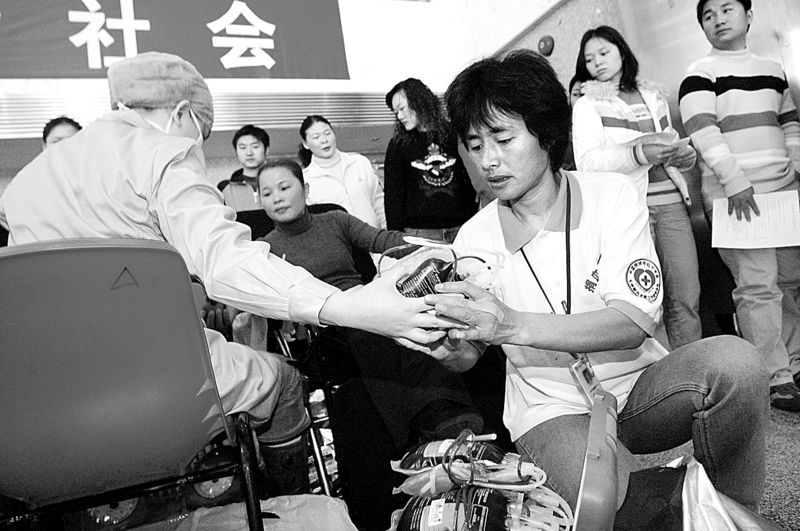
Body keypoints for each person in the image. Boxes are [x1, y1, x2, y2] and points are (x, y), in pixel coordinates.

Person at [0, 52, 452, 493]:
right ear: (181, 113)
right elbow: (224, 260)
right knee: (282, 380)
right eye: (200, 135)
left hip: (42, 400)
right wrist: (346, 304)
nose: (195, 149)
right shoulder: (161, 152)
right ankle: (289, 504)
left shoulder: (26, 183)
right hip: (153, 381)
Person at [421, 49, 768, 513]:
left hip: (638, 388)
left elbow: (631, 322)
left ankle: (734, 513)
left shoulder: (611, 195)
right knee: (615, 507)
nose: (489, 160)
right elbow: (470, 353)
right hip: (551, 407)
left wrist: (511, 325)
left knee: (737, 364)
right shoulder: (474, 237)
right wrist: (446, 346)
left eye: (502, 138)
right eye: (476, 145)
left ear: (546, 133)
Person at [236, 157, 482, 450]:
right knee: (374, 328)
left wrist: (441, 250)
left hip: (365, 305)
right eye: (267, 193)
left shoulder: (335, 220)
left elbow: (384, 240)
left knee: (414, 313)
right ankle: (420, 431)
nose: (277, 197)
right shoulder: (266, 249)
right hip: (320, 329)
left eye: (284, 187)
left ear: (306, 189)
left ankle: (447, 409)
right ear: (260, 200)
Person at [679, 0, 800, 411]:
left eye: (726, 9)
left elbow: (788, 121)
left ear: (748, 16)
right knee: (757, 287)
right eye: (708, 15)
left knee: (788, 282)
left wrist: (795, 164)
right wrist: (734, 182)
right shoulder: (700, 73)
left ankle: (793, 365)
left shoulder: (772, 70)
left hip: (782, 192)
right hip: (737, 197)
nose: (718, 19)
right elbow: (702, 131)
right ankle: (775, 377)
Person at [572, 25, 702, 350]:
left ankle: (694, 367)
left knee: (686, 295)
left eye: (604, 53)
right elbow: (588, 164)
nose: (597, 62)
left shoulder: (653, 95)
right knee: (645, 302)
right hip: (630, 211)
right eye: (590, 59)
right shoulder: (587, 105)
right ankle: (663, 373)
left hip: (672, 203)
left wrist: (684, 156)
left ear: (622, 51)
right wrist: (639, 153)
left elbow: (668, 143)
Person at [383, 78, 477, 242]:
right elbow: (393, 197)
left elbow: (469, 183)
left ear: (418, 101)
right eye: (396, 112)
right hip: (420, 234)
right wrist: (395, 240)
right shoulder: (398, 145)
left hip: (462, 229)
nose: (400, 116)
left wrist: (474, 220)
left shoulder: (454, 134)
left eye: (402, 108)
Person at [297, 115, 386, 230]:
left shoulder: (359, 162)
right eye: (316, 137)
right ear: (305, 144)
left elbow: (379, 201)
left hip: (374, 236)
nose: (324, 140)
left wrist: (386, 231)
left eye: (327, 133)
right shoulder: (306, 180)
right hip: (340, 240)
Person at [217, 124, 270, 211]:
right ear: (236, 152)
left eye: (255, 147)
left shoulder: (278, 182)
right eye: (243, 147)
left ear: (266, 150)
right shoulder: (225, 188)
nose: (249, 153)